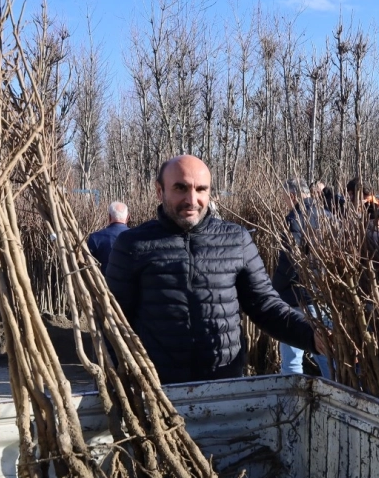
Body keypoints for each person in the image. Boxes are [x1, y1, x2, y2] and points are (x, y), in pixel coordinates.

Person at [106, 155, 323, 385]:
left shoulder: (236, 240)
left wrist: (312, 336)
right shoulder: (133, 245)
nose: (192, 200)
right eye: (180, 188)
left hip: (224, 385)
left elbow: (265, 305)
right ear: (160, 191)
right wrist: (121, 381)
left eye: (201, 189)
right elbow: (113, 321)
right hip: (158, 388)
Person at [273, 179, 331, 378]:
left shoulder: (295, 219)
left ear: (293, 195)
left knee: (292, 356)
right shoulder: (329, 216)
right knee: (325, 351)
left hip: (298, 295)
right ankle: (335, 391)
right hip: (325, 294)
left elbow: (289, 261)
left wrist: (275, 287)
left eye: (285, 198)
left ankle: (292, 394)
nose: (285, 202)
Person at [87, 201, 129, 269]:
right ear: (127, 218)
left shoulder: (95, 238)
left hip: (101, 275)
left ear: (109, 217)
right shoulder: (136, 237)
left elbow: (88, 262)